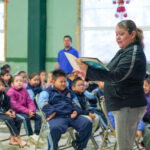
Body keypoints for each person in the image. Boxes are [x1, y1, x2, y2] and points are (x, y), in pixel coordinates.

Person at [74, 20, 147, 150]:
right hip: (122, 105)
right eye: (116, 34)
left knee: (124, 147)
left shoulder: (134, 52)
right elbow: (108, 72)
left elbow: (118, 75)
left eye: (121, 34)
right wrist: (86, 74)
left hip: (128, 105)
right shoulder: (124, 51)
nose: (117, 37)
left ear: (132, 34)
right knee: (123, 145)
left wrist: (89, 71)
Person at [39, 70, 92, 150]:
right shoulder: (46, 92)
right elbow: (43, 104)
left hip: (72, 116)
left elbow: (76, 104)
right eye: (61, 82)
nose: (64, 83)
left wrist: (76, 111)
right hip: (57, 117)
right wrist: (53, 112)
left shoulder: (70, 92)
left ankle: (79, 146)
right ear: (53, 82)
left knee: (87, 123)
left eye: (65, 81)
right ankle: (53, 148)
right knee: (53, 128)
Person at [7, 75, 42, 144]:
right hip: (16, 112)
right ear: (12, 83)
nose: (19, 82)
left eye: (21, 81)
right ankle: (30, 135)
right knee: (25, 118)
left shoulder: (24, 90)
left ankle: (36, 135)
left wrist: (32, 110)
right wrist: (27, 111)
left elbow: (30, 101)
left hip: (26, 111)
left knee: (38, 117)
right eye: (16, 81)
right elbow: (15, 106)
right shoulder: (11, 92)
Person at [0, 78, 26, 147]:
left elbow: (8, 105)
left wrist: (11, 111)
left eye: (2, 85)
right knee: (9, 119)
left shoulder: (4, 95)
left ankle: (12, 139)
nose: (1, 87)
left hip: (4, 112)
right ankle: (17, 137)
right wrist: (5, 112)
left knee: (18, 119)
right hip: (1, 113)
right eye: (0, 85)